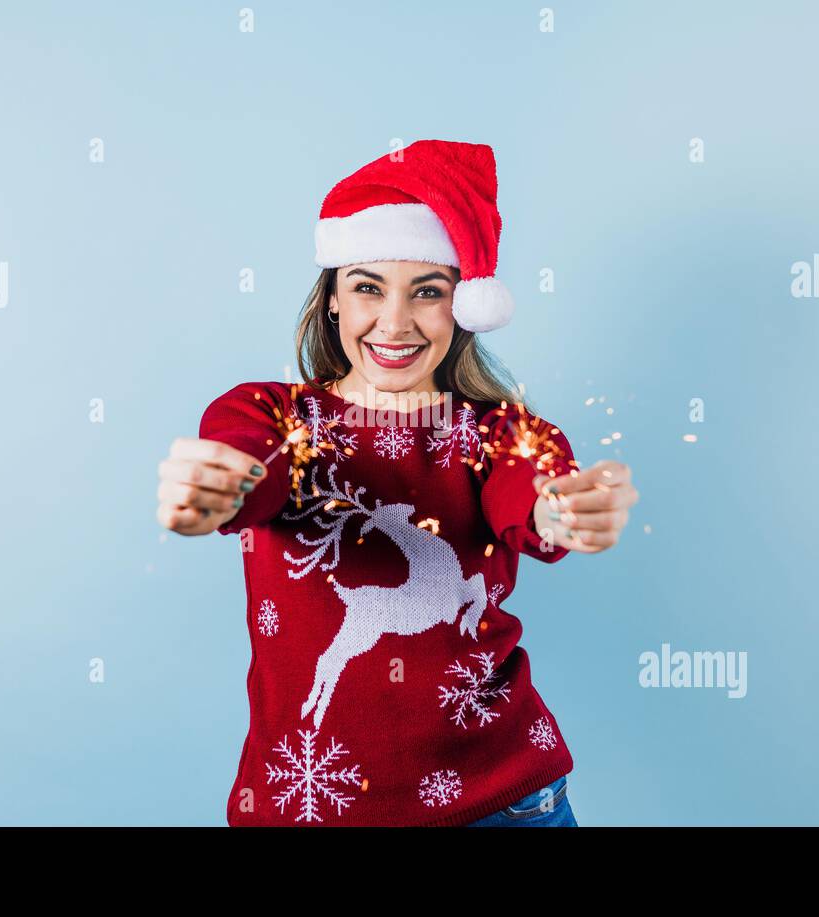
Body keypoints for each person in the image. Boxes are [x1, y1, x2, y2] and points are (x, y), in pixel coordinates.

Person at [156, 140, 638, 826]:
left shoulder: (499, 433)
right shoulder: (269, 415)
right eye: (367, 287)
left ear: (461, 308)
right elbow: (249, 465)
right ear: (330, 300)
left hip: (500, 804)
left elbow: (529, 489)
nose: (395, 321)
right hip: (309, 809)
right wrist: (220, 487)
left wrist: (560, 512)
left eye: (429, 292)